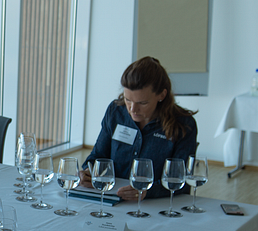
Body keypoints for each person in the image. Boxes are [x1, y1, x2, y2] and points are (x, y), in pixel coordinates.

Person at [80, 57, 197, 200]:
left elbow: (181, 181)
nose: (133, 109)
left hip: (159, 205)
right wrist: (87, 171)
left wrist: (148, 191)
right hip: (113, 198)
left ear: (162, 95)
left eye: (142, 102)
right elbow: (98, 155)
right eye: (128, 100)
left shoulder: (184, 124)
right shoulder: (116, 112)